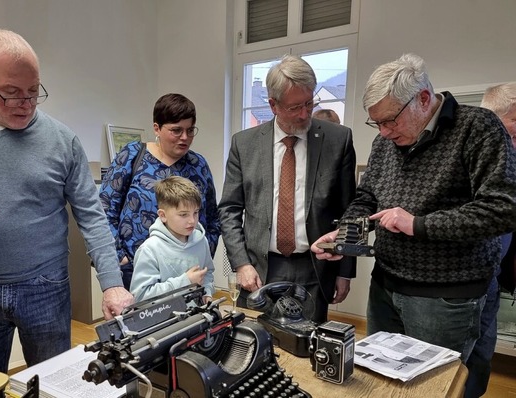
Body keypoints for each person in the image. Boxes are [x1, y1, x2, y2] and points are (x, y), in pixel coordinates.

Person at [0, 29, 134, 375]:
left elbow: (92, 215)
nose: (26, 104)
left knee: (53, 385)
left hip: (46, 289)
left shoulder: (62, 140)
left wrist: (112, 284)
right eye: (12, 93)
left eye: (34, 92)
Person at [312, 54, 516, 397]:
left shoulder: (477, 128)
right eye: (376, 123)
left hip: (445, 297)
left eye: (390, 120)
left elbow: (502, 210)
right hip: (386, 288)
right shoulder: (385, 142)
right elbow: (366, 199)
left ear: (423, 99)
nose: (384, 132)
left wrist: (417, 224)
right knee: (381, 382)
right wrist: (344, 233)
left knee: (433, 388)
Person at [218, 54, 357, 324]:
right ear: (273, 104)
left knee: (308, 351)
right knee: (257, 348)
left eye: (309, 102)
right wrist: (241, 264)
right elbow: (229, 210)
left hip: (315, 269)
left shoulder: (337, 140)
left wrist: (345, 271)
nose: (305, 114)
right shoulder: (244, 145)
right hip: (259, 269)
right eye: (295, 108)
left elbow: (349, 210)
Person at [100, 93, 221, 291]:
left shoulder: (198, 165)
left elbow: (212, 218)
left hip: (188, 271)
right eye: (176, 130)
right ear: (157, 128)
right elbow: (105, 208)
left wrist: (204, 251)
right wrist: (118, 255)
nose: (185, 137)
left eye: (190, 130)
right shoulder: (132, 155)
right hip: (134, 269)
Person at [465, 83, 516, 398]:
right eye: (512, 133)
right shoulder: (464, 163)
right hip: (457, 286)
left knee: (481, 359)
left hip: (493, 279)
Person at [130, 176, 214, 302]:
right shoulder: (149, 249)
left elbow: (207, 274)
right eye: (183, 214)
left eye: (196, 213)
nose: (192, 220)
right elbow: (141, 296)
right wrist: (185, 282)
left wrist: (207, 292)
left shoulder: (201, 241)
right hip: (165, 320)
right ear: (163, 215)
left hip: (197, 317)